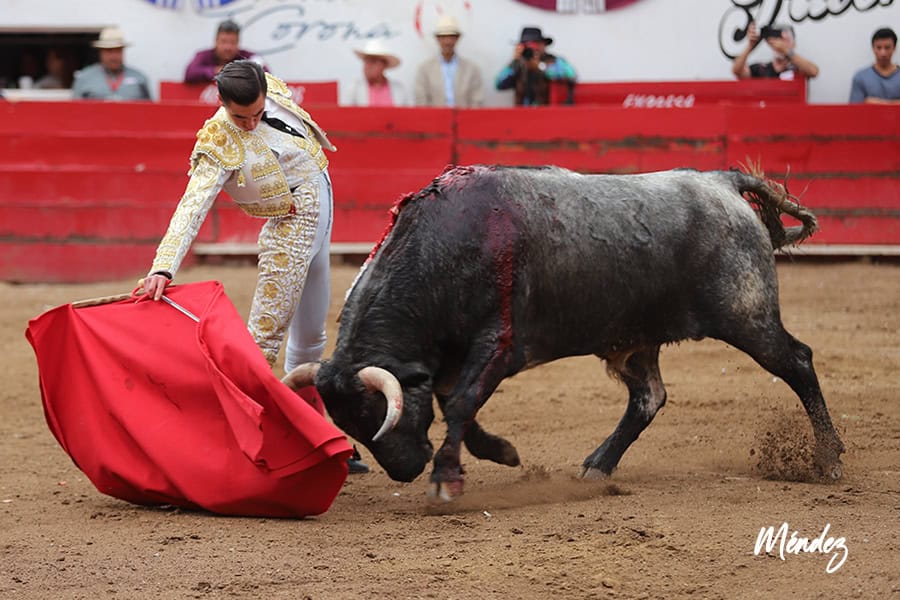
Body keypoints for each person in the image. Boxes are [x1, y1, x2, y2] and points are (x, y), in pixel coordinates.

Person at [141, 60, 368, 473]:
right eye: (239, 117)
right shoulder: (218, 139)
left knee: (311, 336)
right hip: (289, 229)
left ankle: (316, 439)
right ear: (221, 103)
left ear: (266, 91)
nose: (249, 124)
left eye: (257, 114)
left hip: (320, 205)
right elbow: (192, 205)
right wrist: (163, 267)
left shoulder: (273, 90)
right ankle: (230, 445)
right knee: (261, 344)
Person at [413, 15, 484, 107]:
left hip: (465, 116)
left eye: (451, 37)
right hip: (434, 116)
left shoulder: (472, 69)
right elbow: (421, 101)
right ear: (437, 39)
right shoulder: (424, 69)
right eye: (443, 37)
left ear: (457, 38)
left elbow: (477, 101)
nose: (448, 42)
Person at [495, 26, 577, 106]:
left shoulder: (554, 61)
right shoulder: (517, 65)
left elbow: (571, 75)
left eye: (535, 44)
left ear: (543, 44)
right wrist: (515, 62)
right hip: (523, 112)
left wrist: (540, 66)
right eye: (527, 45)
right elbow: (498, 85)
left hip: (548, 112)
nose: (532, 49)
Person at [72, 27, 151, 100]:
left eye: (118, 50)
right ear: (100, 52)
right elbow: (74, 108)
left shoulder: (139, 77)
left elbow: (149, 108)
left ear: (123, 51)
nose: (113, 56)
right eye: (109, 51)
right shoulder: (84, 78)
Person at [184, 19, 266, 83]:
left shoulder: (247, 56)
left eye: (233, 42)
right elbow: (190, 73)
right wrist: (216, 71)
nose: (228, 47)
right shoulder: (203, 55)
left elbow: (265, 75)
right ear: (216, 41)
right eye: (224, 42)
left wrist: (239, 73)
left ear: (238, 42)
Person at [732, 22, 819, 80]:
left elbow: (814, 72)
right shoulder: (761, 69)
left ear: (793, 44)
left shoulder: (798, 68)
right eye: (779, 39)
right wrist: (750, 46)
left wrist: (786, 51)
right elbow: (737, 71)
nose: (781, 43)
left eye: (786, 40)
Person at [347, 39, 408, 106]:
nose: (367, 66)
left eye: (373, 61)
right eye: (366, 61)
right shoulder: (354, 88)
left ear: (384, 65)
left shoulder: (399, 89)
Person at [849, 27, 900, 104]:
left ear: (894, 48)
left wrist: (874, 102)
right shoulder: (860, 77)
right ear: (873, 48)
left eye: (887, 47)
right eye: (879, 48)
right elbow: (854, 108)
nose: (883, 53)